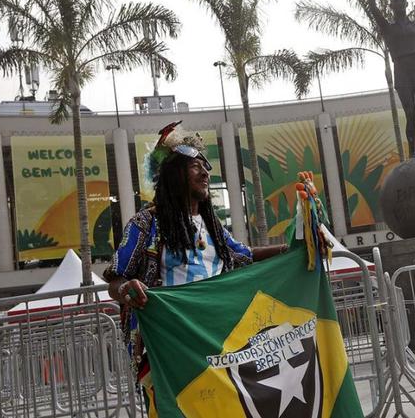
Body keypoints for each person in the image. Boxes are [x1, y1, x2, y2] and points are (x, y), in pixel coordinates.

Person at [103, 122, 287, 410]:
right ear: (175, 174)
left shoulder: (213, 227)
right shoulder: (146, 223)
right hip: (168, 345)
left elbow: (246, 255)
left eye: (207, 167)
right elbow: (115, 279)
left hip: (217, 339)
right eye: (195, 166)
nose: (205, 173)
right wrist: (127, 289)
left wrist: (294, 249)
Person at [368, 0, 415, 158]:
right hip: (401, 71)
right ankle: (413, 151)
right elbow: (372, 6)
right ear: (391, 6)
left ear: (406, 3)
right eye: (394, 1)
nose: (398, 3)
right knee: (410, 113)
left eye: (401, 0)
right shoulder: (387, 27)